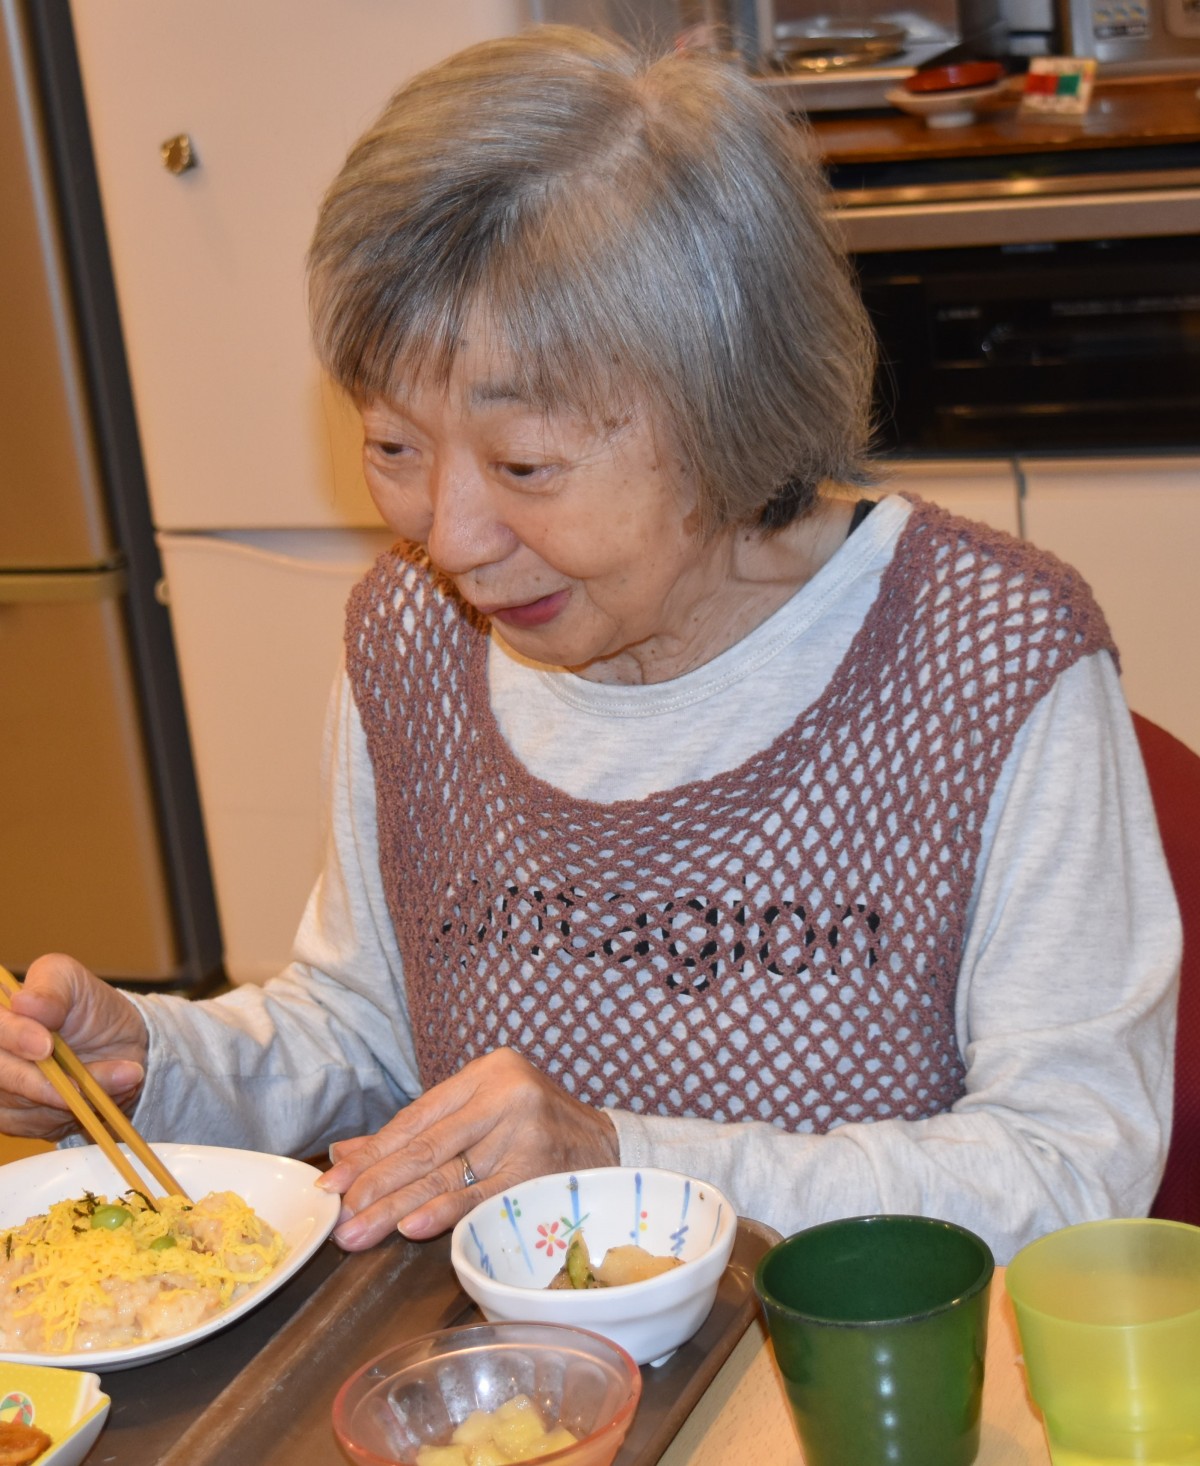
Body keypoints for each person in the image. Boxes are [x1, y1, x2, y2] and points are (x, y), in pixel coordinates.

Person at [0, 26, 1180, 1265]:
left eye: (526, 466)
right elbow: (365, 1030)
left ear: (730, 408)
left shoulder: (986, 658)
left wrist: (624, 1164)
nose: (451, 537)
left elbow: (1071, 1170)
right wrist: (152, 1061)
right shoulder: (413, 639)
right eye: (395, 446)